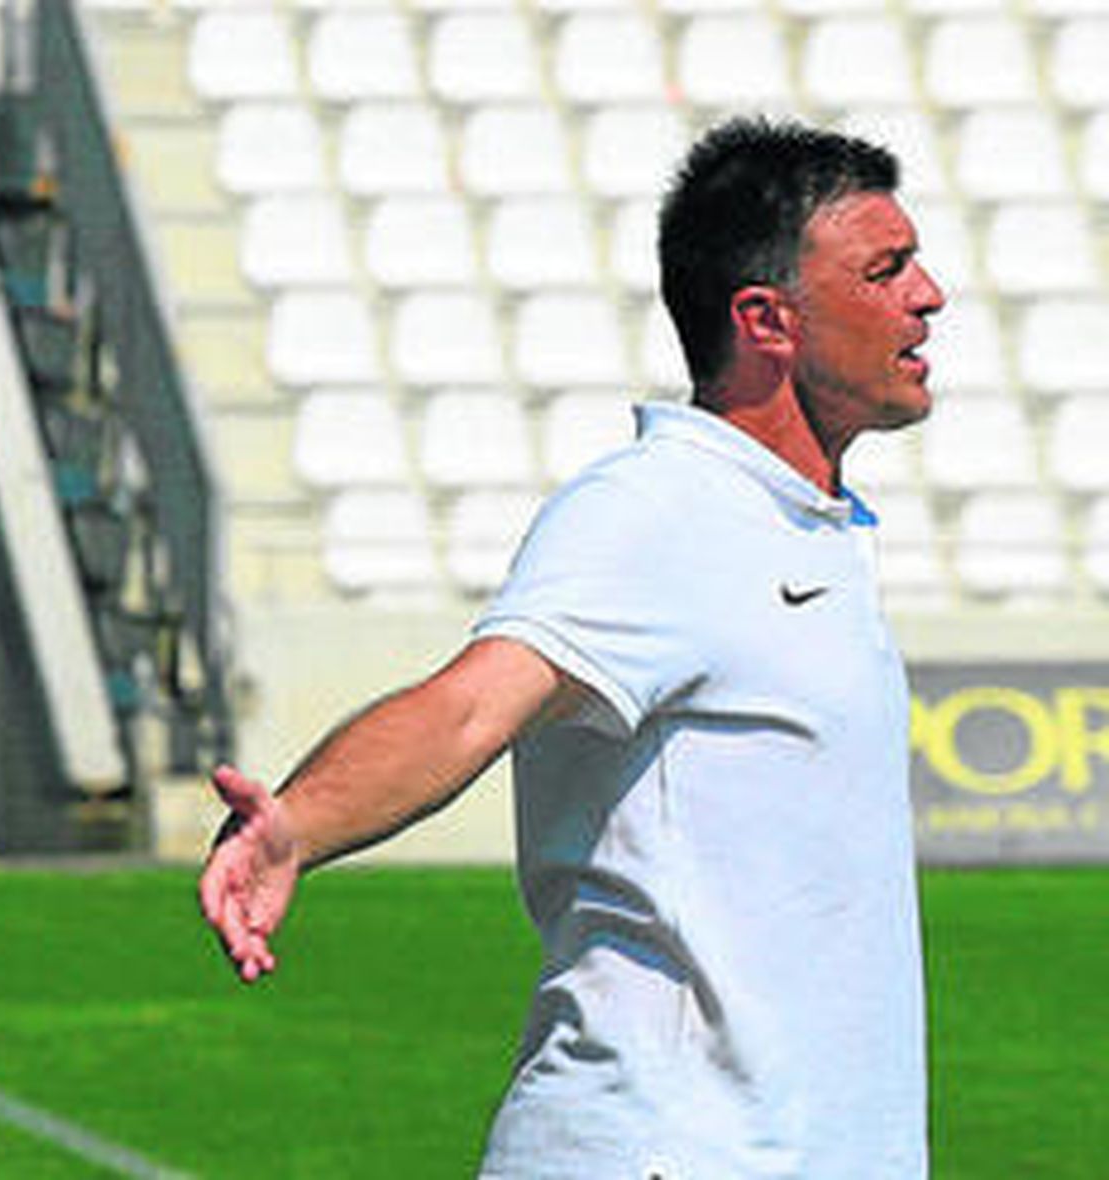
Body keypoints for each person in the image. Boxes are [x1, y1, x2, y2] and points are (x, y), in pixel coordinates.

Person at [199, 116, 945, 1178]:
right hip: (670, 1151)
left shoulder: (807, 523)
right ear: (766, 320)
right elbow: (472, 702)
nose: (927, 296)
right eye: (886, 270)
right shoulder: (657, 509)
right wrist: (296, 827)